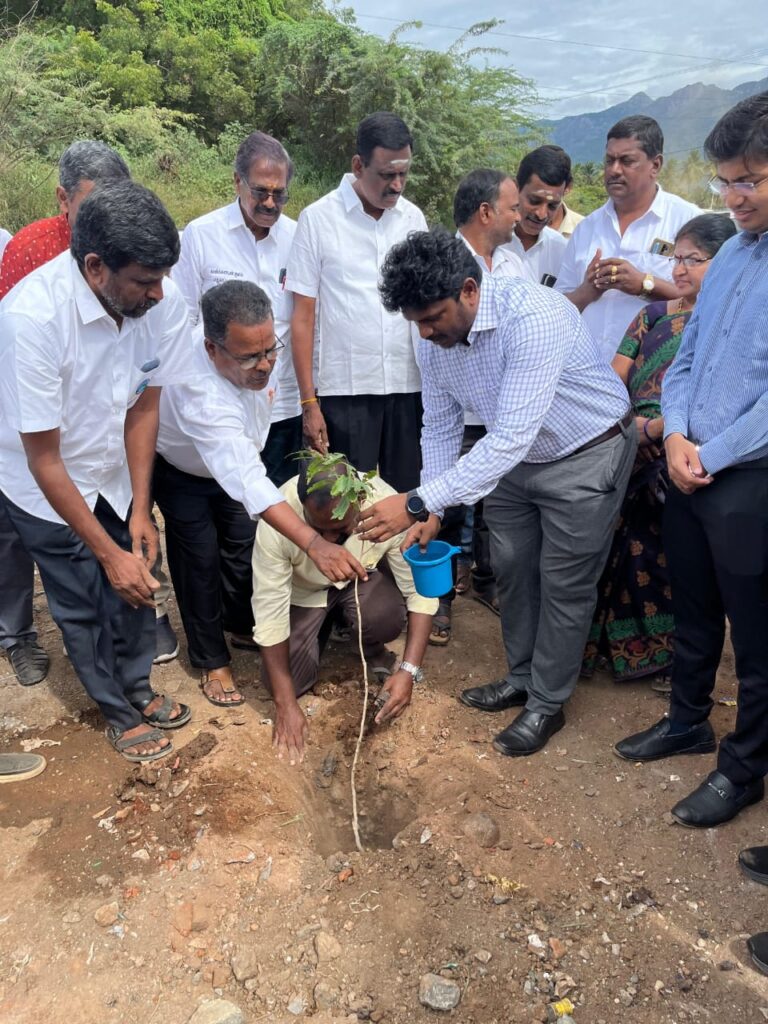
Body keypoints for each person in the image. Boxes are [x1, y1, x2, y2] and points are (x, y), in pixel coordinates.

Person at [358, 228, 636, 757]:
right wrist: (434, 506)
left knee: (563, 581)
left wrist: (415, 500)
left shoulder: (535, 316)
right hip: (513, 462)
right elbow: (439, 425)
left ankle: (547, 702)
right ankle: (523, 675)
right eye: (414, 322)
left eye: (432, 318)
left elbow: (510, 435)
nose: (424, 333)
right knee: (511, 568)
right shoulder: (434, 341)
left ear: (469, 290)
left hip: (585, 452)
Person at [614, 91, 768, 828]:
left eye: (750, 180)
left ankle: (742, 771)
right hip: (691, 468)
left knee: (758, 637)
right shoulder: (733, 255)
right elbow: (686, 358)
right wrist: (675, 437)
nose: (734, 197)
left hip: (749, 479)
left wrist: (711, 452)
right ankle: (686, 722)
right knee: (696, 611)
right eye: (726, 181)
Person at [0, 181, 193, 763]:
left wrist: (140, 507)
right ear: (94, 266)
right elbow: (44, 458)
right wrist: (107, 556)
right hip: (43, 487)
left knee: (138, 582)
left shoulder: (152, 298)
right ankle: (115, 709)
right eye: (144, 282)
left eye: (162, 278)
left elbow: (144, 402)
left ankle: (137, 686)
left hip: (111, 472)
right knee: (84, 599)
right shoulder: (31, 318)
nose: (160, 295)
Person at [155, 280, 366, 706]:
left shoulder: (260, 354)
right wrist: (312, 544)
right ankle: (212, 660)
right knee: (198, 560)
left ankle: (239, 625)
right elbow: (249, 480)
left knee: (240, 546)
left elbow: (246, 467)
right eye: (251, 356)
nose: (266, 364)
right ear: (213, 349)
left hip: (239, 459)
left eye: (271, 349)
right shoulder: (199, 391)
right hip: (183, 471)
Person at [0, 142, 141, 687]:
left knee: (99, 542)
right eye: (93, 204)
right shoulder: (32, 252)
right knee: (18, 534)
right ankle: (17, 636)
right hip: (29, 413)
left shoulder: (129, 255)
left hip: (87, 427)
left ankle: (126, 636)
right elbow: (25, 344)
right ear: (63, 199)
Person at [583, 214, 736, 686]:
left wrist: (668, 433)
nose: (682, 268)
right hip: (633, 442)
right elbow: (614, 380)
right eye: (677, 258)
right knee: (606, 544)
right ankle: (606, 646)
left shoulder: (727, 324)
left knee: (662, 552)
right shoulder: (650, 316)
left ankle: (665, 653)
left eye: (695, 259)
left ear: (727, 263)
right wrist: (637, 428)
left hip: (690, 450)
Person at [252, 461, 437, 762]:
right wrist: (285, 705)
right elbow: (269, 616)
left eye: (338, 530)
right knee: (284, 683)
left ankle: (367, 642)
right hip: (305, 595)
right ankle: (321, 628)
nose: (327, 542)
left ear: (359, 503)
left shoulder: (384, 505)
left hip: (359, 584)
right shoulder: (279, 518)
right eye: (317, 530)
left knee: (385, 615)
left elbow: (420, 593)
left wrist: (408, 671)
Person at [288, 112, 427, 492]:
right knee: (344, 501)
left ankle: (398, 556)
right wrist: (308, 403)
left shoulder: (413, 219)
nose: (397, 185)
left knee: (406, 496)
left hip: (406, 385)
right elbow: (302, 318)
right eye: (386, 175)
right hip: (343, 391)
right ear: (357, 165)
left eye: (403, 173)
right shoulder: (318, 220)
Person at [172, 131, 302, 488]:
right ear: (237, 182)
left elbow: (305, 324)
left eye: (280, 194)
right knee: (228, 507)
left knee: (274, 517)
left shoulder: (299, 238)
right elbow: (182, 324)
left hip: (281, 407)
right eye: (261, 191)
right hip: (218, 408)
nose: (271, 203)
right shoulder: (201, 235)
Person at [430, 168, 522, 645]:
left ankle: (484, 581)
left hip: (506, 416)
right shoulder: (441, 266)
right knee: (443, 503)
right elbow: (432, 347)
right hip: (460, 413)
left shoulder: (513, 266)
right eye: (512, 208)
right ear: (486, 212)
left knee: (493, 508)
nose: (519, 217)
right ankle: (439, 600)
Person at [556, 116, 700, 362]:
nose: (614, 170)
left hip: (655, 382)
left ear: (655, 165)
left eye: (627, 161)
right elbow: (558, 308)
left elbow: (705, 302)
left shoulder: (689, 223)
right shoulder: (587, 228)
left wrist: (645, 284)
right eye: (609, 160)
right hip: (587, 377)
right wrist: (587, 291)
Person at [504, 146, 569, 286]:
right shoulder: (489, 242)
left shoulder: (562, 250)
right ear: (516, 188)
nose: (542, 214)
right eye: (535, 201)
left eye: (552, 206)